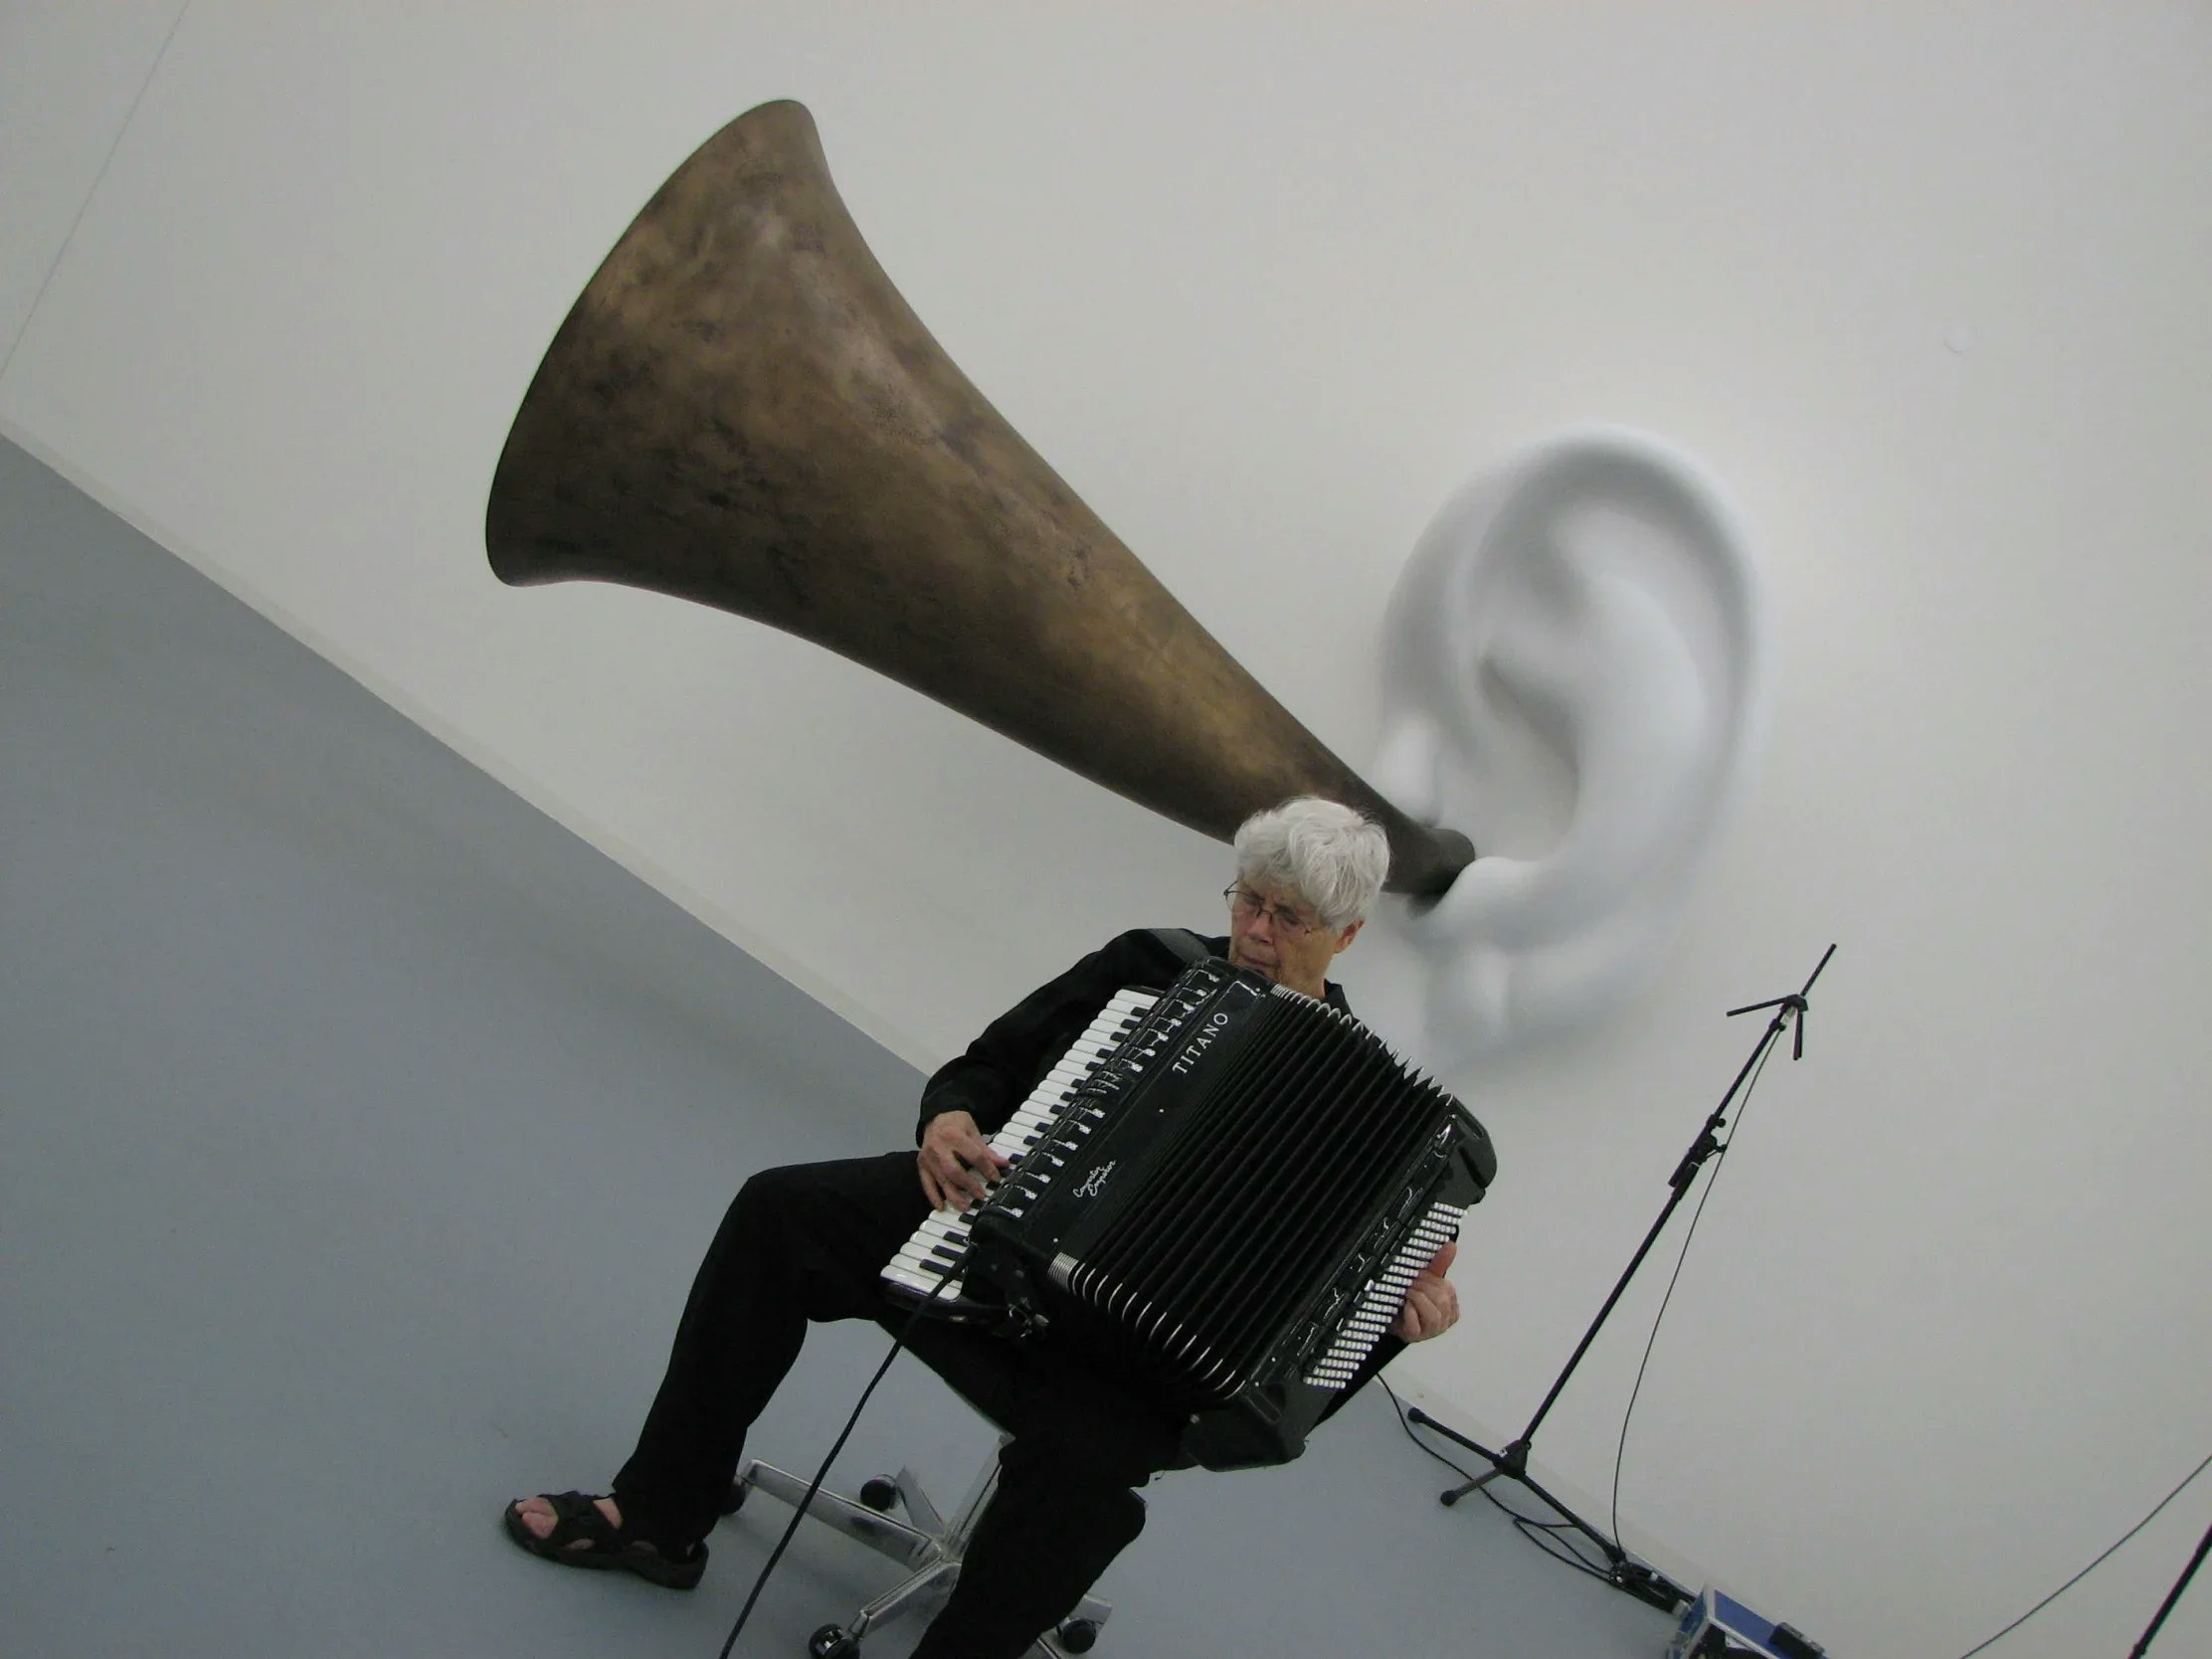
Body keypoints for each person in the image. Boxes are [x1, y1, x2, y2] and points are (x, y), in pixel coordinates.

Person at [503, 797, 1461, 1657]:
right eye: (1246, 900)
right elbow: (988, 1067)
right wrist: (948, 1119)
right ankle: (662, 1514)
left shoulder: (1370, 1123)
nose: (1253, 931)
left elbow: (1306, 1354)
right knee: (780, 1213)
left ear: (1345, 937)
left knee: (1085, 1488)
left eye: (1287, 918)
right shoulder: (1151, 965)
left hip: (1127, 1371)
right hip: (992, 1247)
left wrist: (1397, 1322)